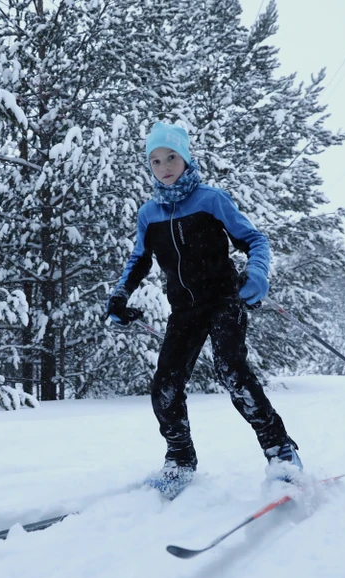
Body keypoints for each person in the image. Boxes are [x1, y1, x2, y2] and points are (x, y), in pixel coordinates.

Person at [105, 122, 302, 499]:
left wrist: (257, 275)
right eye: (156, 160)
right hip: (184, 310)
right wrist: (119, 297)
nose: (164, 166)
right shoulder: (149, 213)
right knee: (164, 385)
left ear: (186, 158)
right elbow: (139, 260)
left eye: (171, 157)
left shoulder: (211, 200)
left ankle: (282, 454)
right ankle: (180, 459)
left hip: (224, 300)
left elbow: (254, 240)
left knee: (232, 372)